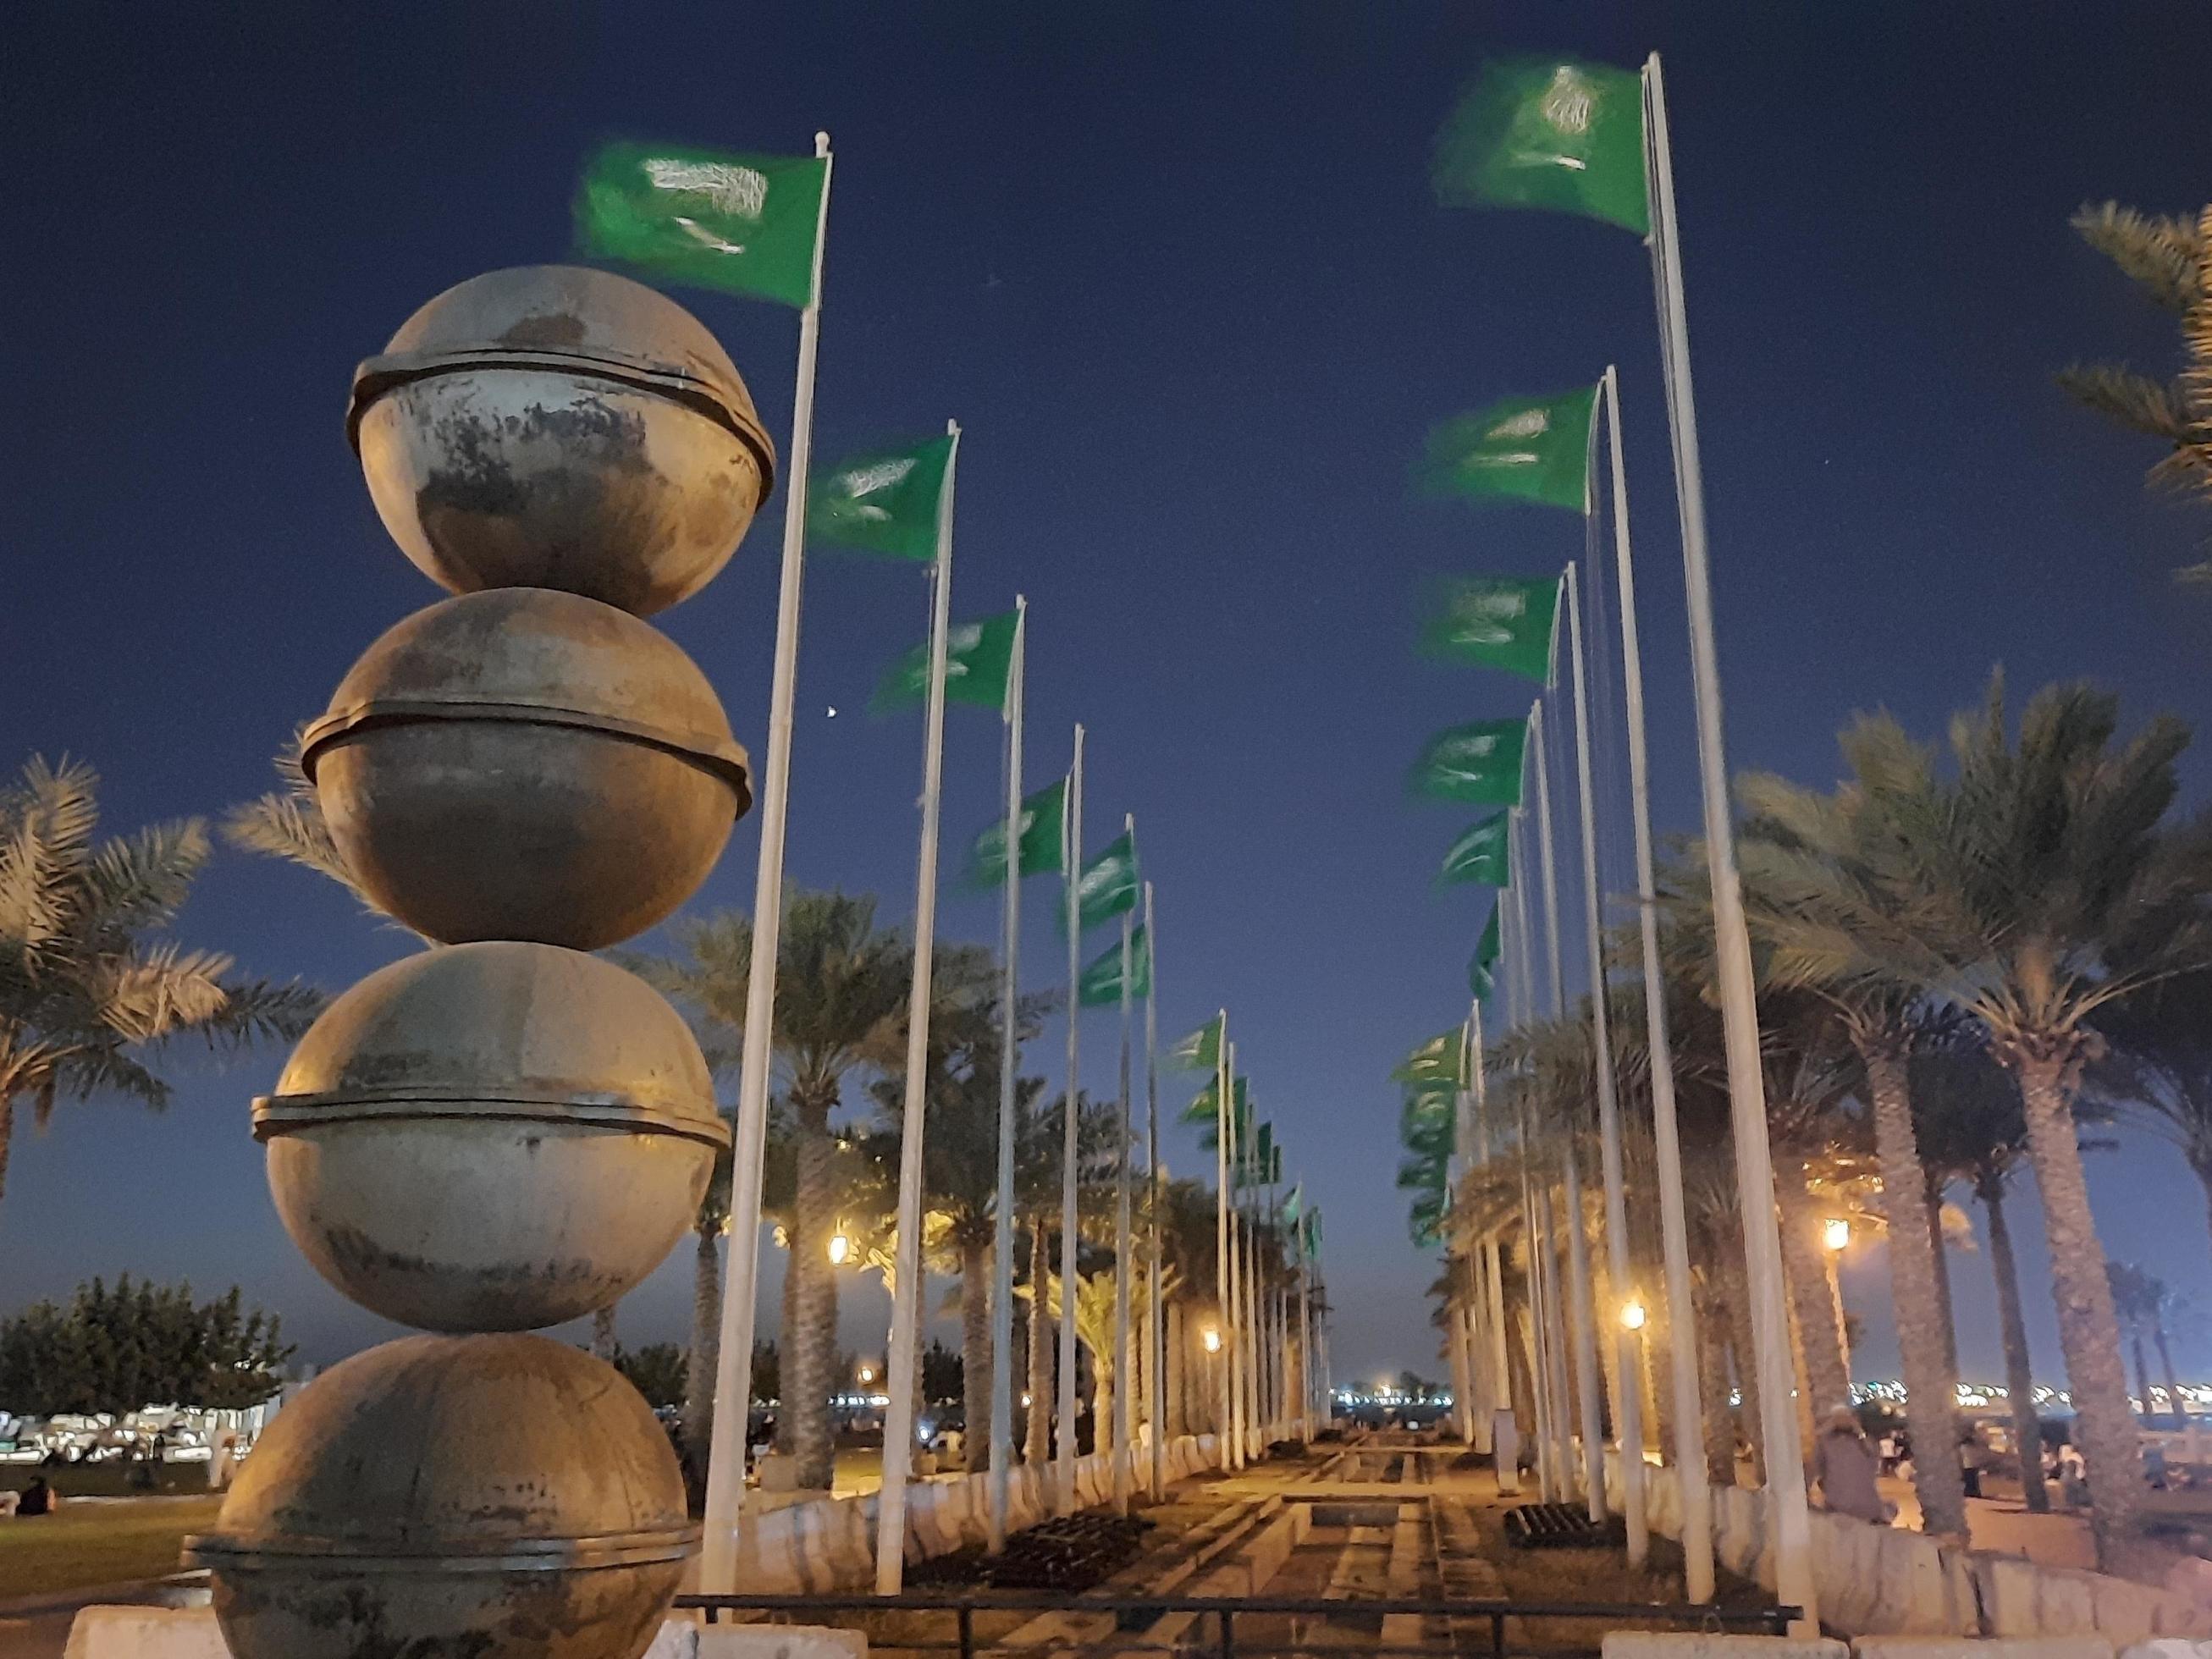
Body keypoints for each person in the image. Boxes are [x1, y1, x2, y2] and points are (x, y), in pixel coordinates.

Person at [1812, 1404, 1892, 1525]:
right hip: (1837, 1502)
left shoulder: (1863, 1441)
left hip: (1865, 1503)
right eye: (1838, 1418)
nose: (1842, 1421)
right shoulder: (1825, 1443)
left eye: (1845, 1417)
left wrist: (1859, 1430)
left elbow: (1873, 1454)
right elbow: (1818, 1466)